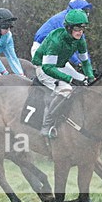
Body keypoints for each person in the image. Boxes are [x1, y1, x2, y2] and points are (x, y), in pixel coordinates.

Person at [31, 9, 95, 139]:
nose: (80, 32)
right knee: (66, 89)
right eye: (77, 28)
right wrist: (70, 79)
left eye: (83, 28)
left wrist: (91, 77)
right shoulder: (56, 40)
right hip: (43, 67)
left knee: (85, 82)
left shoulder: (80, 40)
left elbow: (85, 62)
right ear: (69, 28)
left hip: (59, 66)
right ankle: (46, 126)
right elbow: (48, 68)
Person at [31, 0, 93, 81]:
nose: (86, 14)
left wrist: (89, 71)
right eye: (84, 11)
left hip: (58, 52)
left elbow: (81, 48)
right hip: (44, 50)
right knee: (60, 83)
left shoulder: (77, 25)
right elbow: (67, 47)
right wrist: (77, 63)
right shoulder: (64, 22)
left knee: (80, 79)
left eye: (87, 12)